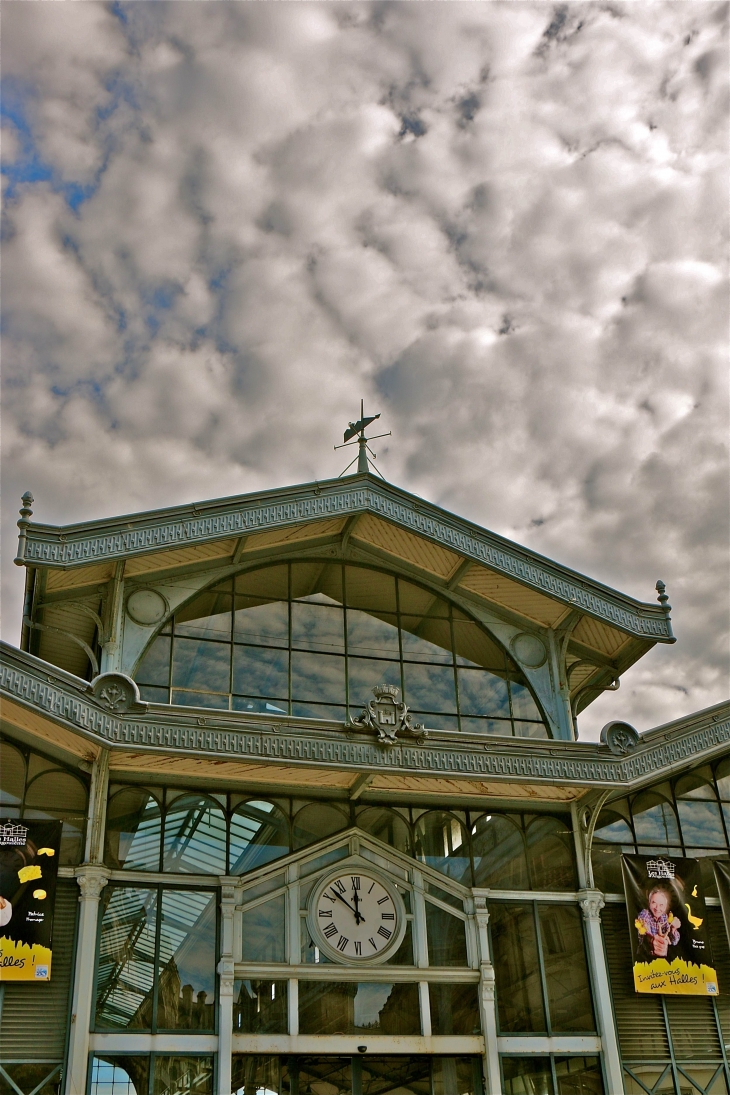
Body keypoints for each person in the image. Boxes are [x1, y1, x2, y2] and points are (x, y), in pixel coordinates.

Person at [635, 883, 681, 959]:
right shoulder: (645, 913)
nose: (657, 908)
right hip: (644, 957)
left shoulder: (664, 917)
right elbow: (644, 928)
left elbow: (674, 942)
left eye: (661, 905)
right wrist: (653, 939)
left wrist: (673, 929)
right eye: (654, 903)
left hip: (661, 960)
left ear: (665, 907)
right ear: (649, 903)